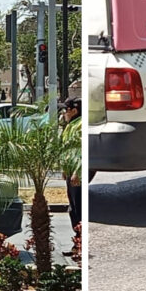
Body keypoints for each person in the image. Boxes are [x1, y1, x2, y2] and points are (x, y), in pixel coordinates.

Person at [60, 97, 82, 229]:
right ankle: (77, 243)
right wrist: (64, 169)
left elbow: (82, 151)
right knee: (73, 208)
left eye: (65, 110)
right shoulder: (71, 125)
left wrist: (77, 172)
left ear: (74, 110)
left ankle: (80, 243)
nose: (63, 114)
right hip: (70, 172)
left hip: (76, 174)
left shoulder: (80, 125)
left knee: (78, 208)